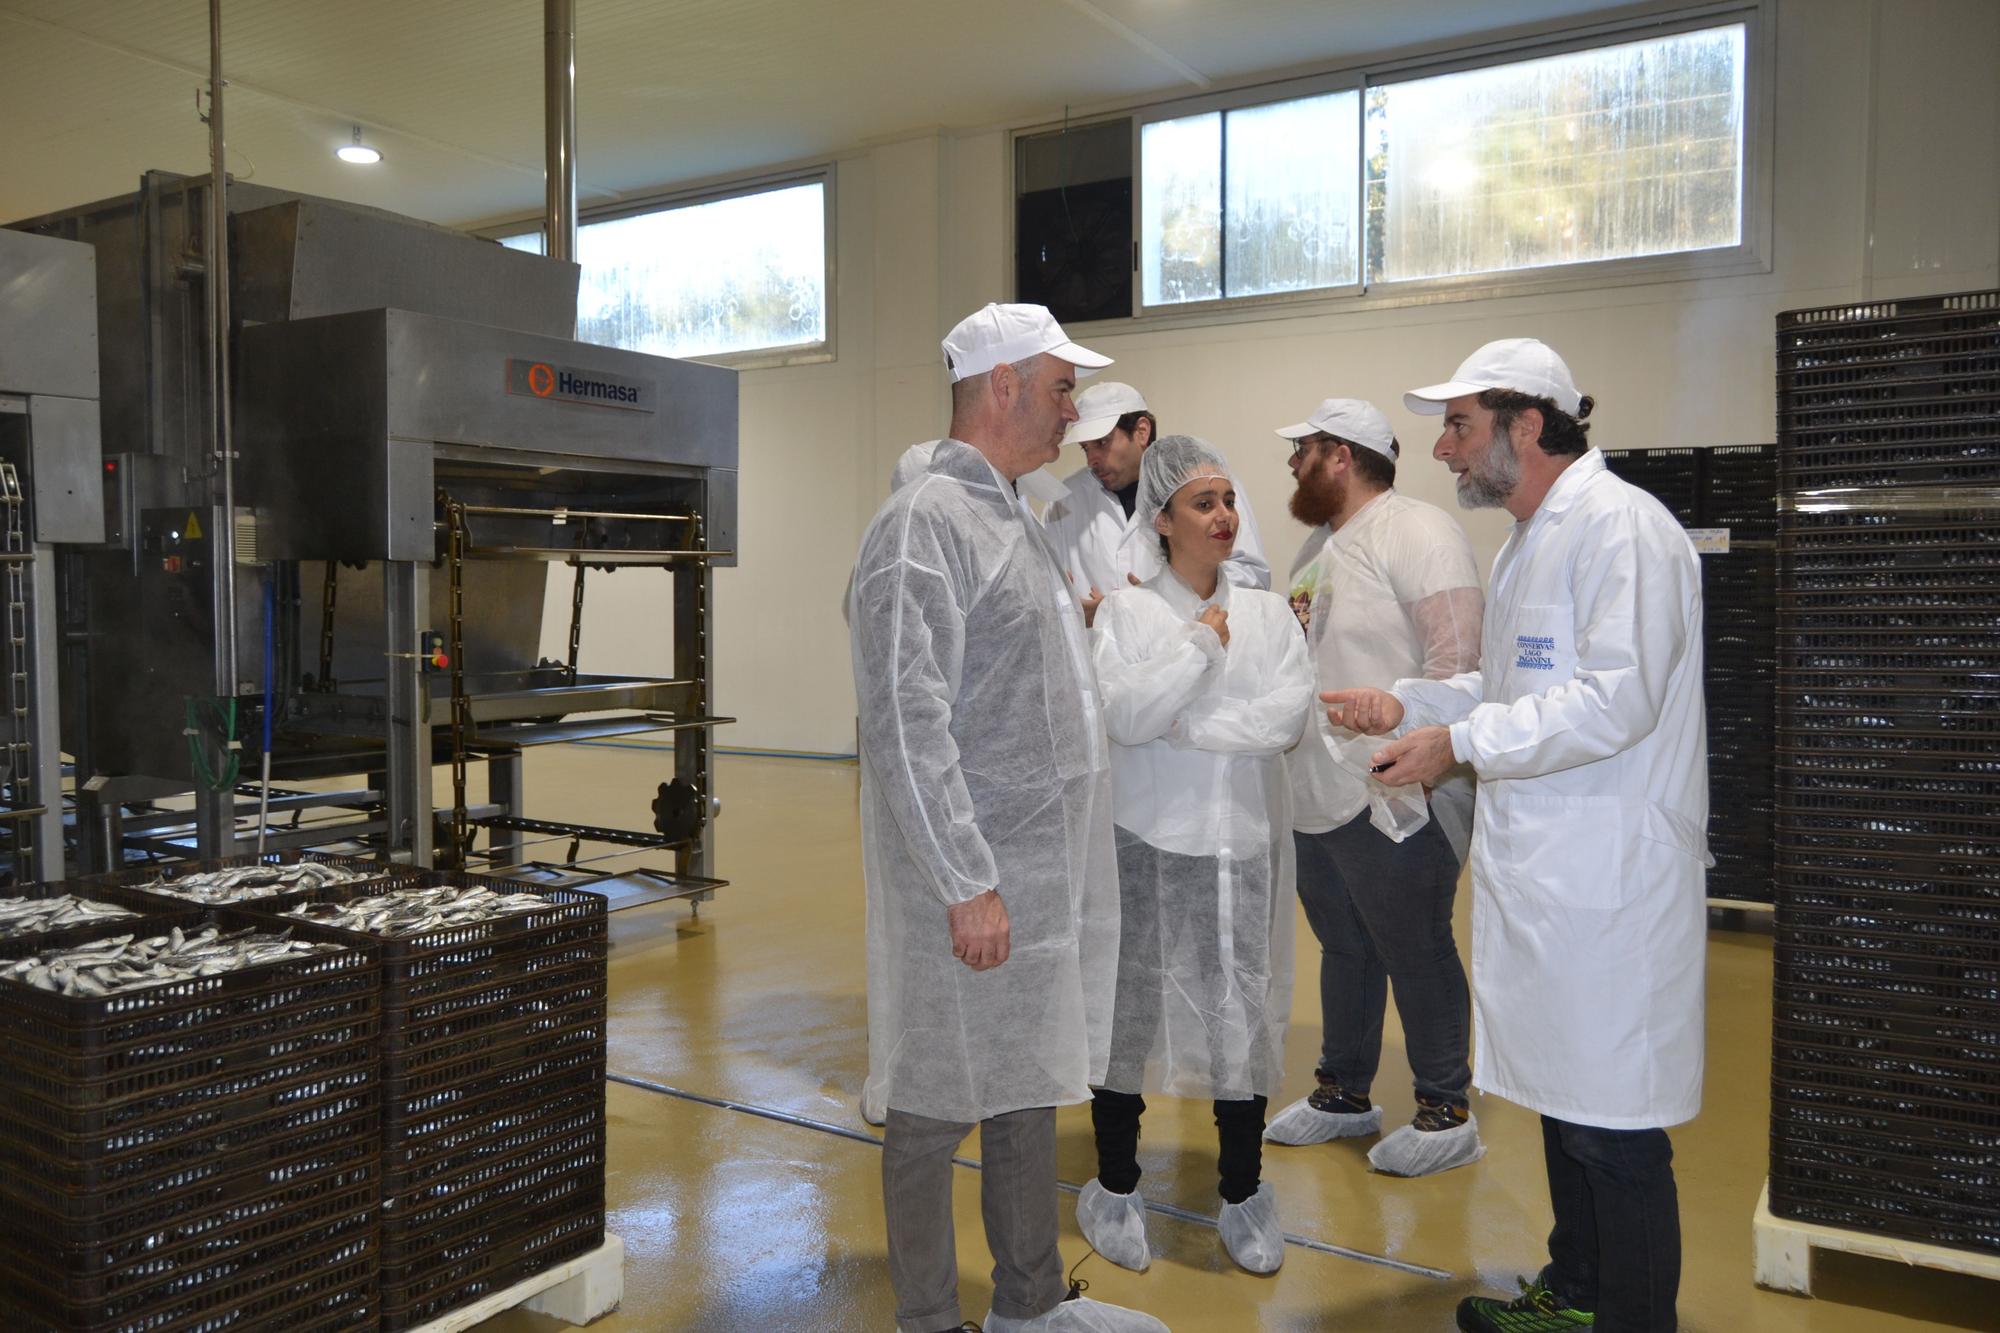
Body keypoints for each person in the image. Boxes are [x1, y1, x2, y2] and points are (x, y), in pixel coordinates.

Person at [1326, 339, 1706, 1333]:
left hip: (1608, 882)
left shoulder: (1623, 531)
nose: (1444, 450)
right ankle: (1571, 1295)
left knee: (1613, 1129)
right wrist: (1404, 701)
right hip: (1548, 884)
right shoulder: (1530, 540)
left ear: (1525, 424)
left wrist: (1455, 741)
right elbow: (1505, 695)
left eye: (1457, 426)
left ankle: (1628, 1320)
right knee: (1564, 1104)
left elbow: (1614, 701)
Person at [849, 302, 1167, 1333]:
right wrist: (964, 879)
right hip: (969, 879)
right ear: (1000, 386)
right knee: (935, 1101)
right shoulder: (922, 524)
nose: (1073, 410)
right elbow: (903, 717)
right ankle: (931, 1319)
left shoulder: (1010, 514)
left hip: (1028, 873)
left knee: (1024, 1081)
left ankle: (1028, 1305)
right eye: (1060, 386)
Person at [1076, 436, 1314, 1277]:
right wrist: (1201, 650)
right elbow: (1127, 715)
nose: (1223, 516)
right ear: (1164, 520)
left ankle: (1244, 1193)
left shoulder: (1272, 612)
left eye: (1227, 500)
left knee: (1238, 1017)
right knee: (1127, 1016)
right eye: (1202, 503)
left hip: (1236, 848)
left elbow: (1285, 717)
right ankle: (1113, 1186)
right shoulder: (1132, 615)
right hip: (1148, 843)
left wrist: (1192, 722)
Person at [1260, 398, 1487, 1178]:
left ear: (1342, 456)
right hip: (1318, 790)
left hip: (1398, 790)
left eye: (1303, 449)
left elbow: (1459, 670)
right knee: (1345, 946)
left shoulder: (1417, 531)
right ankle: (1343, 1092)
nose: (1291, 464)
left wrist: (1410, 732)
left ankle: (1445, 1105)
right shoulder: (1313, 554)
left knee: (1415, 944)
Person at [1046, 382, 1271, 625]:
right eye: (1085, 448)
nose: (1092, 460)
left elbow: (1252, 577)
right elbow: (1048, 587)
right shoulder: (1064, 500)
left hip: (1196, 645)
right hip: (1101, 657)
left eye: (1102, 443)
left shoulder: (1208, 482)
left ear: (1141, 431)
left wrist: (1161, 601)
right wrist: (1077, 609)